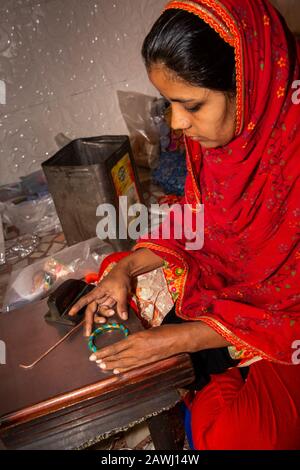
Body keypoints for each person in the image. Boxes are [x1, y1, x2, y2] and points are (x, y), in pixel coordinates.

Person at [69, 0, 300, 450]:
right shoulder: (221, 139)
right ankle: (207, 381)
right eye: (170, 103)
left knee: (238, 438)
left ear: (248, 83)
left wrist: (179, 340)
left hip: (288, 327)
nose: (177, 122)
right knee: (121, 296)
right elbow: (196, 221)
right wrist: (125, 271)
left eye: (191, 104)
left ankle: (207, 383)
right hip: (236, 297)